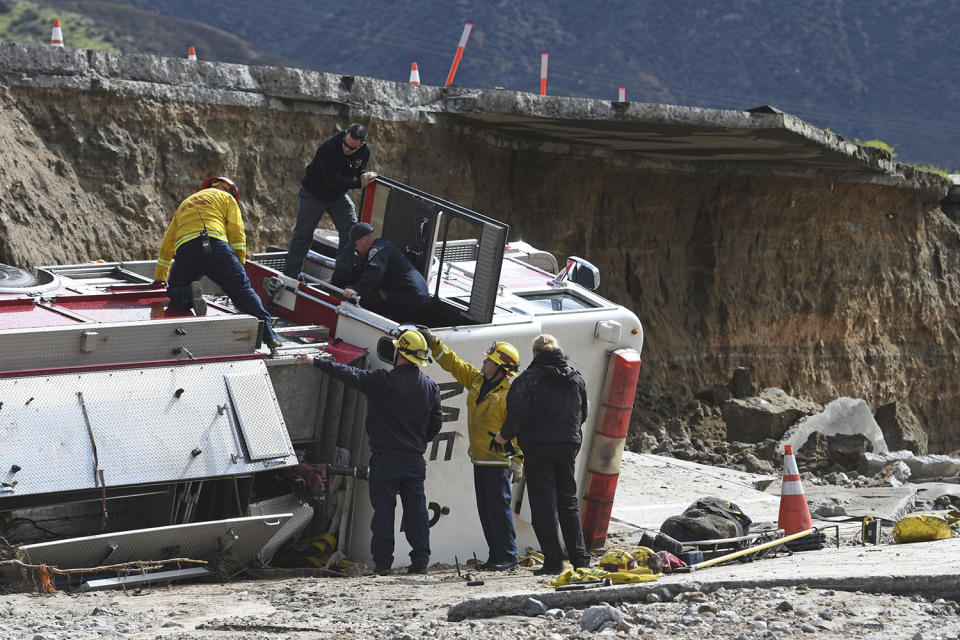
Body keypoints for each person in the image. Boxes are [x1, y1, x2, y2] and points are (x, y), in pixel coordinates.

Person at [294, 329, 442, 575]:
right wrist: (416, 442)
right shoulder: (430, 388)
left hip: (385, 460)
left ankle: (383, 565)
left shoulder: (383, 381)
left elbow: (350, 373)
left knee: (384, 512)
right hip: (414, 460)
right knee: (416, 512)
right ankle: (420, 564)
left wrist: (316, 361)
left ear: (399, 353)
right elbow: (434, 426)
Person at [419, 327, 522, 571]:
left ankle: (508, 556)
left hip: (498, 462)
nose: (484, 362)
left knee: (498, 511)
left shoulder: (510, 393)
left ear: (501, 368)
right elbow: (453, 364)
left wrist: (518, 459)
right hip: (479, 460)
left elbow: (518, 427)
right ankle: (497, 557)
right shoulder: (477, 380)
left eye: (490, 360)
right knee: (486, 512)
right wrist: (434, 343)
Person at [495, 334, 591, 575]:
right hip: (568, 445)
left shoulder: (528, 379)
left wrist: (502, 437)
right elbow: (584, 414)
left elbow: (516, 416)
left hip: (539, 447)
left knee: (543, 505)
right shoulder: (576, 378)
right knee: (568, 502)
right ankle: (581, 560)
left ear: (536, 353)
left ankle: (553, 562)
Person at [153, 176, 280, 349]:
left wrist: (161, 276)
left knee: (175, 289)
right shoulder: (227, 199)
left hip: (187, 249)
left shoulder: (185, 204)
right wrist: (238, 262)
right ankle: (269, 336)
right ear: (231, 191)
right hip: (216, 247)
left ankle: (188, 294)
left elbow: (168, 244)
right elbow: (237, 233)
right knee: (242, 291)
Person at [283, 123, 378, 285]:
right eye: (345, 144)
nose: (346, 149)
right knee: (303, 234)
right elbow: (333, 181)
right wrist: (358, 183)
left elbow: (359, 168)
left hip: (336, 195)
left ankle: (340, 276)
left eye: (351, 148)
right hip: (314, 193)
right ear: (345, 134)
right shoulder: (329, 148)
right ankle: (290, 276)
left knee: (351, 231)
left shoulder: (365, 150)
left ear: (361, 144)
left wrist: (364, 175)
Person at [341, 222, 431, 322]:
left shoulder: (377, 250)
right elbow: (360, 272)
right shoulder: (383, 245)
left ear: (364, 239)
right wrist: (335, 280)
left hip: (409, 296)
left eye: (355, 244)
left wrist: (357, 290)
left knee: (365, 299)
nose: (355, 248)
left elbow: (374, 273)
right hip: (419, 295)